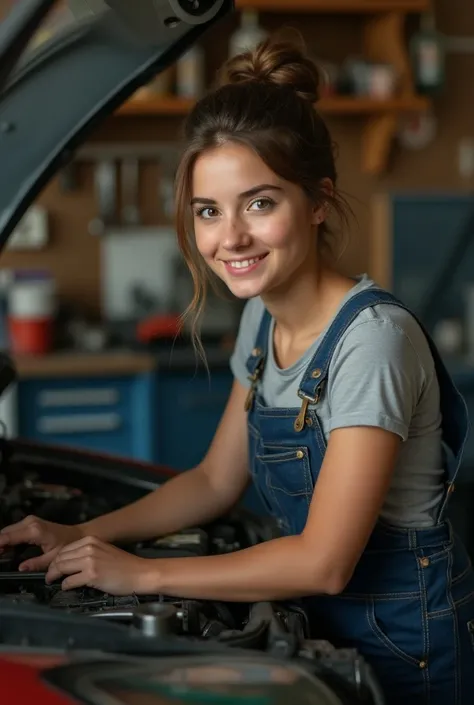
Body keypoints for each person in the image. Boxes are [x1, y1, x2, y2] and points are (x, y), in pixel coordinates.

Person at [0, 37, 473, 705]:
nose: (231, 239)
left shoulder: (370, 341)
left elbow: (325, 562)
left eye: (260, 203)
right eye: (209, 211)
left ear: (317, 201)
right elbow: (214, 480)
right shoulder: (263, 321)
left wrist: (143, 575)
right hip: (319, 630)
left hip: (401, 650)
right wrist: (82, 533)